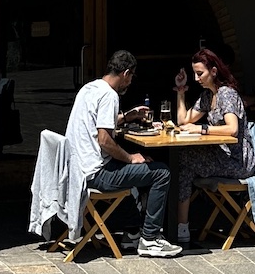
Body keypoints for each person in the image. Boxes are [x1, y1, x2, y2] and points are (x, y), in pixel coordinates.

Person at [65, 49, 181, 258]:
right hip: (97, 174)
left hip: (78, 170)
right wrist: (130, 158)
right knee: (161, 172)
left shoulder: (89, 88)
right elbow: (105, 141)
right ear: (126, 73)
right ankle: (151, 238)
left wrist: (128, 116)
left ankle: (132, 231)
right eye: (131, 77)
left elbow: (98, 122)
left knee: (134, 168)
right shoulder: (110, 95)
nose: (130, 83)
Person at [170, 48, 255, 246]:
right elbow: (184, 121)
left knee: (184, 163)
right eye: (194, 74)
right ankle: (179, 225)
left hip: (238, 161)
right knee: (183, 159)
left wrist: (202, 129)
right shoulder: (209, 96)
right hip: (221, 155)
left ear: (214, 71)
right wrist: (181, 92)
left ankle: (180, 227)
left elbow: (232, 129)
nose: (196, 78)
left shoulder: (226, 94)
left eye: (200, 73)